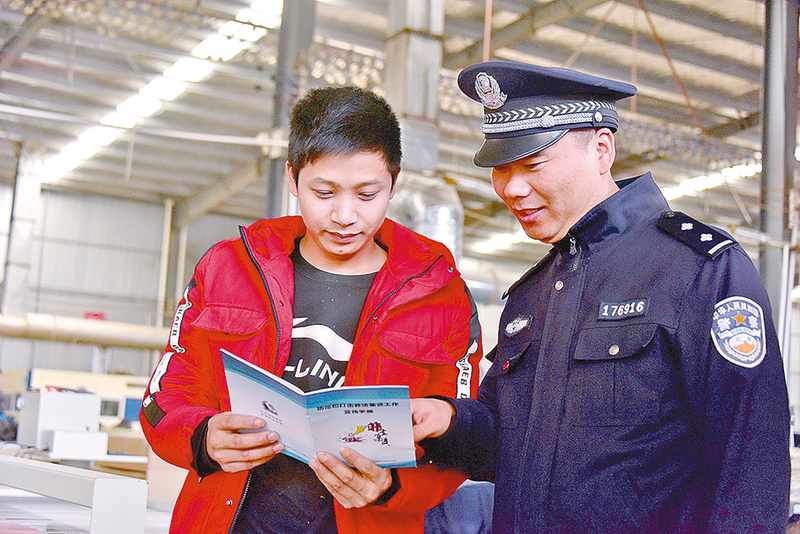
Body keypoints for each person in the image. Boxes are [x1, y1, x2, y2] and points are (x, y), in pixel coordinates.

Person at [411, 60, 791, 534]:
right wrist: (445, 418)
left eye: (532, 164)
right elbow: (502, 446)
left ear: (601, 149)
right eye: (500, 169)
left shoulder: (698, 270)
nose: (512, 188)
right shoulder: (531, 296)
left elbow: (751, 463)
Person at [140, 85, 482, 534]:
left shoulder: (441, 292)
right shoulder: (228, 268)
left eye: (367, 194)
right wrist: (203, 437)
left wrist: (392, 486)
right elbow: (166, 395)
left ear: (394, 182)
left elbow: (460, 432)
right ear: (292, 177)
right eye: (324, 192)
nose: (344, 215)